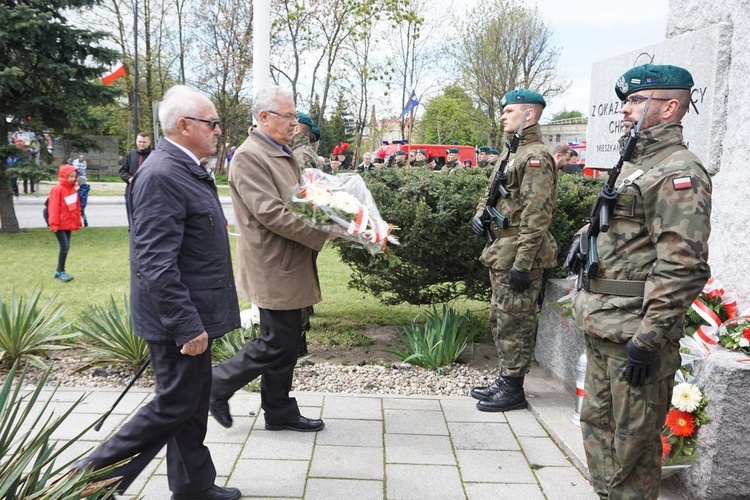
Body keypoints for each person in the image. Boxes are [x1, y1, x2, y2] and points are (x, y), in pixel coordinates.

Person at [75, 85, 242, 500]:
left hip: (190, 312)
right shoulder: (163, 174)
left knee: (188, 404)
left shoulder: (184, 167)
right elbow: (154, 261)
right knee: (174, 405)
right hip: (176, 320)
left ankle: (193, 487)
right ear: (184, 126)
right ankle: (83, 481)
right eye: (212, 123)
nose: (219, 131)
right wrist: (187, 325)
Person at [570, 64, 711, 500]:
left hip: (634, 331)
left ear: (669, 107)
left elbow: (682, 266)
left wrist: (648, 339)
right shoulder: (638, 163)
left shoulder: (677, 171)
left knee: (632, 448)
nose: (625, 109)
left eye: (635, 100)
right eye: (626, 100)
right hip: (606, 324)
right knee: (599, 428)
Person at [209, 85, 332, 434]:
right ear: (264, 117)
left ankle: (279, 410)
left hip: (290, 260)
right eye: (288, 116)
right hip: (272, 263)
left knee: (288, 340)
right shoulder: (251, 156)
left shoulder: (280, 150)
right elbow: (271, 213)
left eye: (295, 115)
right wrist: (323, 233)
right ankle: (216, 384)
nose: (295, 122)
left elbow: (297, 199)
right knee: (277, 341)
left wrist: (331, 208)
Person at [470, 89, 557, 412]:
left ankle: (513, 387)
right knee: (500, 316)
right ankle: (505, 378)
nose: (503, 116)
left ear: (529, 116)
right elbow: (492, 191)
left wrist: (523, 263)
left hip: (518, 251)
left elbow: (538, 215)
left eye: (509, 111)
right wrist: (480, 216)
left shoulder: (535, 156)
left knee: (515, 320)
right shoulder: (514, 152)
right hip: (502, 248)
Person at [48, 164, 82, 282]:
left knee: (66, 247)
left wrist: (77, 222)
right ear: (64, 176)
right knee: (65, 246)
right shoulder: (57, 189)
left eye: (74, 176)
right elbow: (53, 208)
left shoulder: (72, 189)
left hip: (67, 224)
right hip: (59, 224)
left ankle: (60, 271)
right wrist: (54, 225)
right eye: (70, 176)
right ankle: (59, 271)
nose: (73, 178)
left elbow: (75, 208)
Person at [119, 132, 152, 227]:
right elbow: (122, 171)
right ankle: (132, 235)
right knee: (131, 217)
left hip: (148, 192)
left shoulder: (154, 155)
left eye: (144, 142)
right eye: (139, 141)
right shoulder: (131, 155)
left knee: (146, 218)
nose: (141, 144)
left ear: (149, 142)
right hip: (131, 191)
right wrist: (129, 178)